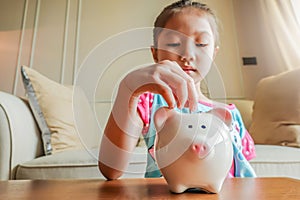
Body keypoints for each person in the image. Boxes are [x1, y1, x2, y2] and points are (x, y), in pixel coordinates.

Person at [98, 0, 256, 179]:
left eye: (201, 44)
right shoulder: (148, 102)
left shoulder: (230, 115)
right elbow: (110, 169)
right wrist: (128, 88)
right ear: (155, 53)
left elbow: (244, 174)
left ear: (214, 53)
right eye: (174, 43)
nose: (187, 54)